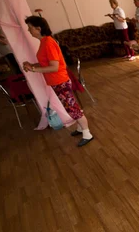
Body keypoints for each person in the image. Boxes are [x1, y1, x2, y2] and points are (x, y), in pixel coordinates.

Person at [22, 16, 94, 147]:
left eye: (30, 28)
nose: (28, 30)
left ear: (38, 28)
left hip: (60, 81)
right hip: (57, 82)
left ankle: (87, 133)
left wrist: (33, 69)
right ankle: (80, 128)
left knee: (72, 108)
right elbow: (46, 63)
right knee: (70, 107)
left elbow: (54, 67)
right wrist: (33, 65)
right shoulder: (44, 42)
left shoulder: (48, 43)